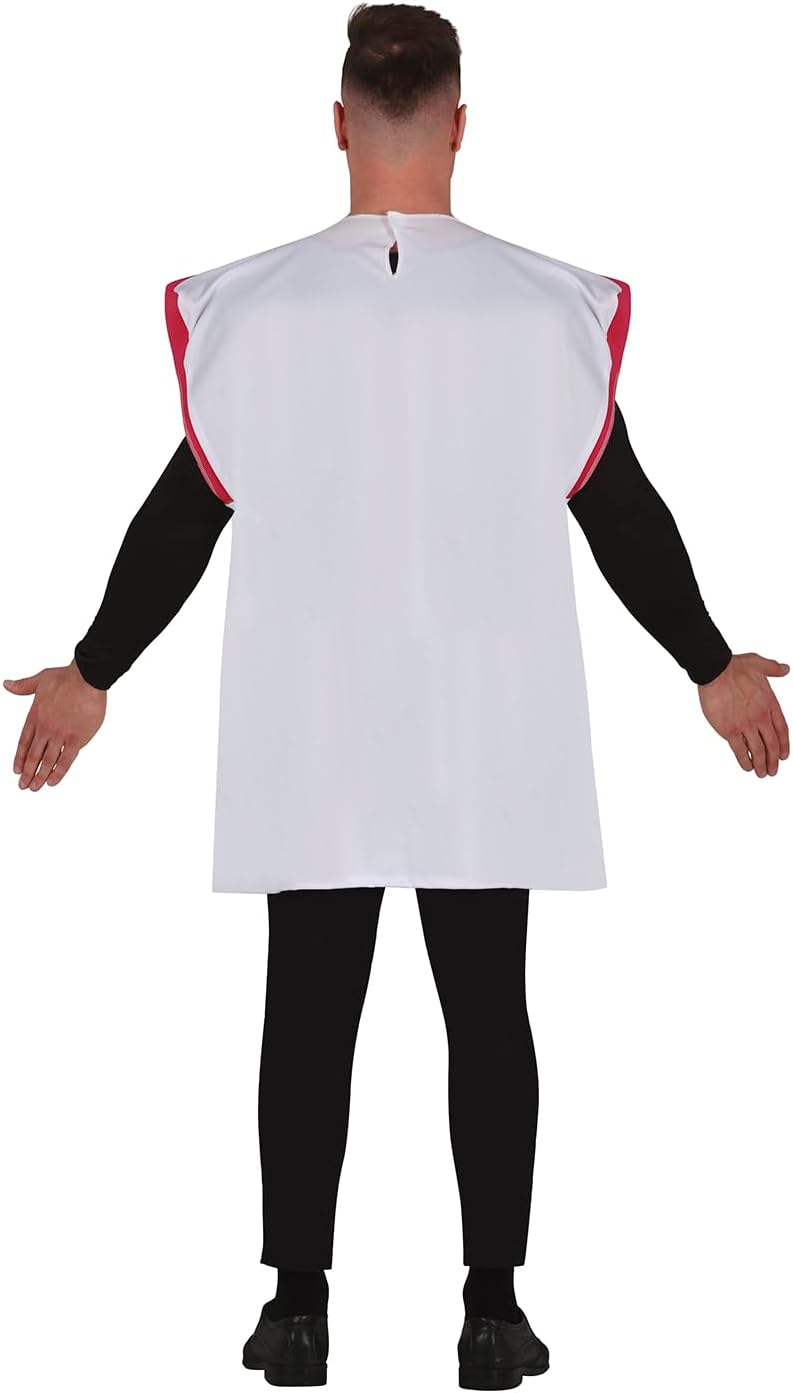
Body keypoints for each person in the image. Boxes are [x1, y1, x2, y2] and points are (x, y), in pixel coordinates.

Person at [4, 4, 789, 1388]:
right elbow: (618, 503)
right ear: (461, 124)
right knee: (489, 1012)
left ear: (337, 123)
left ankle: (295, 1308)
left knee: (307, 1011)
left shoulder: (246, 307)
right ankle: (492, 1309)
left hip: (312, 718)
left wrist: (94, 670)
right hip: (489, 719)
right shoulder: (550, 307)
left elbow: (188, 506)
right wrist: (707, 662)